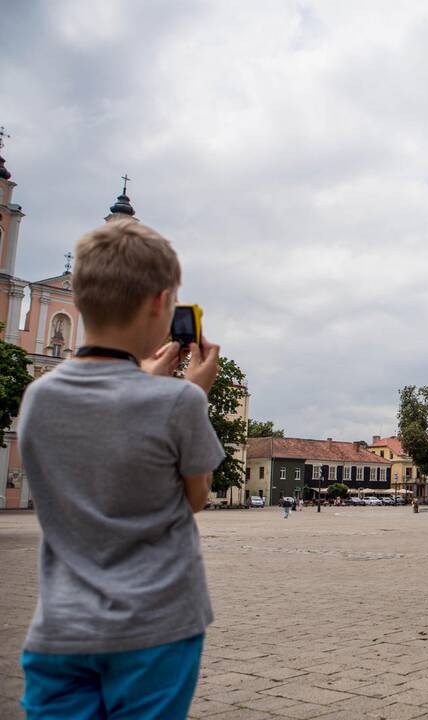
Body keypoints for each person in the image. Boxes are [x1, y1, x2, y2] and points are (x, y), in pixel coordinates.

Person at [18, 219, 225, 720]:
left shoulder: (38, 397)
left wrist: (152, 380)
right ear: (161, 303)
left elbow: (109, 405)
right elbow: (196, 496)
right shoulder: (179, 401)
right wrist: (192, 391)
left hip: (62, 628)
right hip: (155, 627)